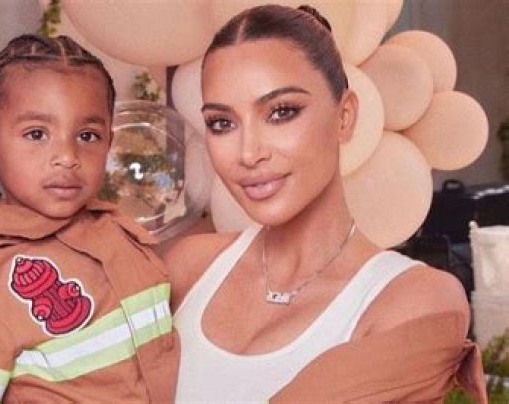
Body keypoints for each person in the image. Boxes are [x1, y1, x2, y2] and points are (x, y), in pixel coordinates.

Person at [165, 4, 486, 402]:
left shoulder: (414, 299)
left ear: (345, 116)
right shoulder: (189, 268)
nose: (248, 153)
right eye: (222, 123)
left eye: (281, 112)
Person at [0, 34, 177, 403]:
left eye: (87, 135)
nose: (67, 156)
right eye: (36, 134)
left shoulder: (116, 231)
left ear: (109, 143)